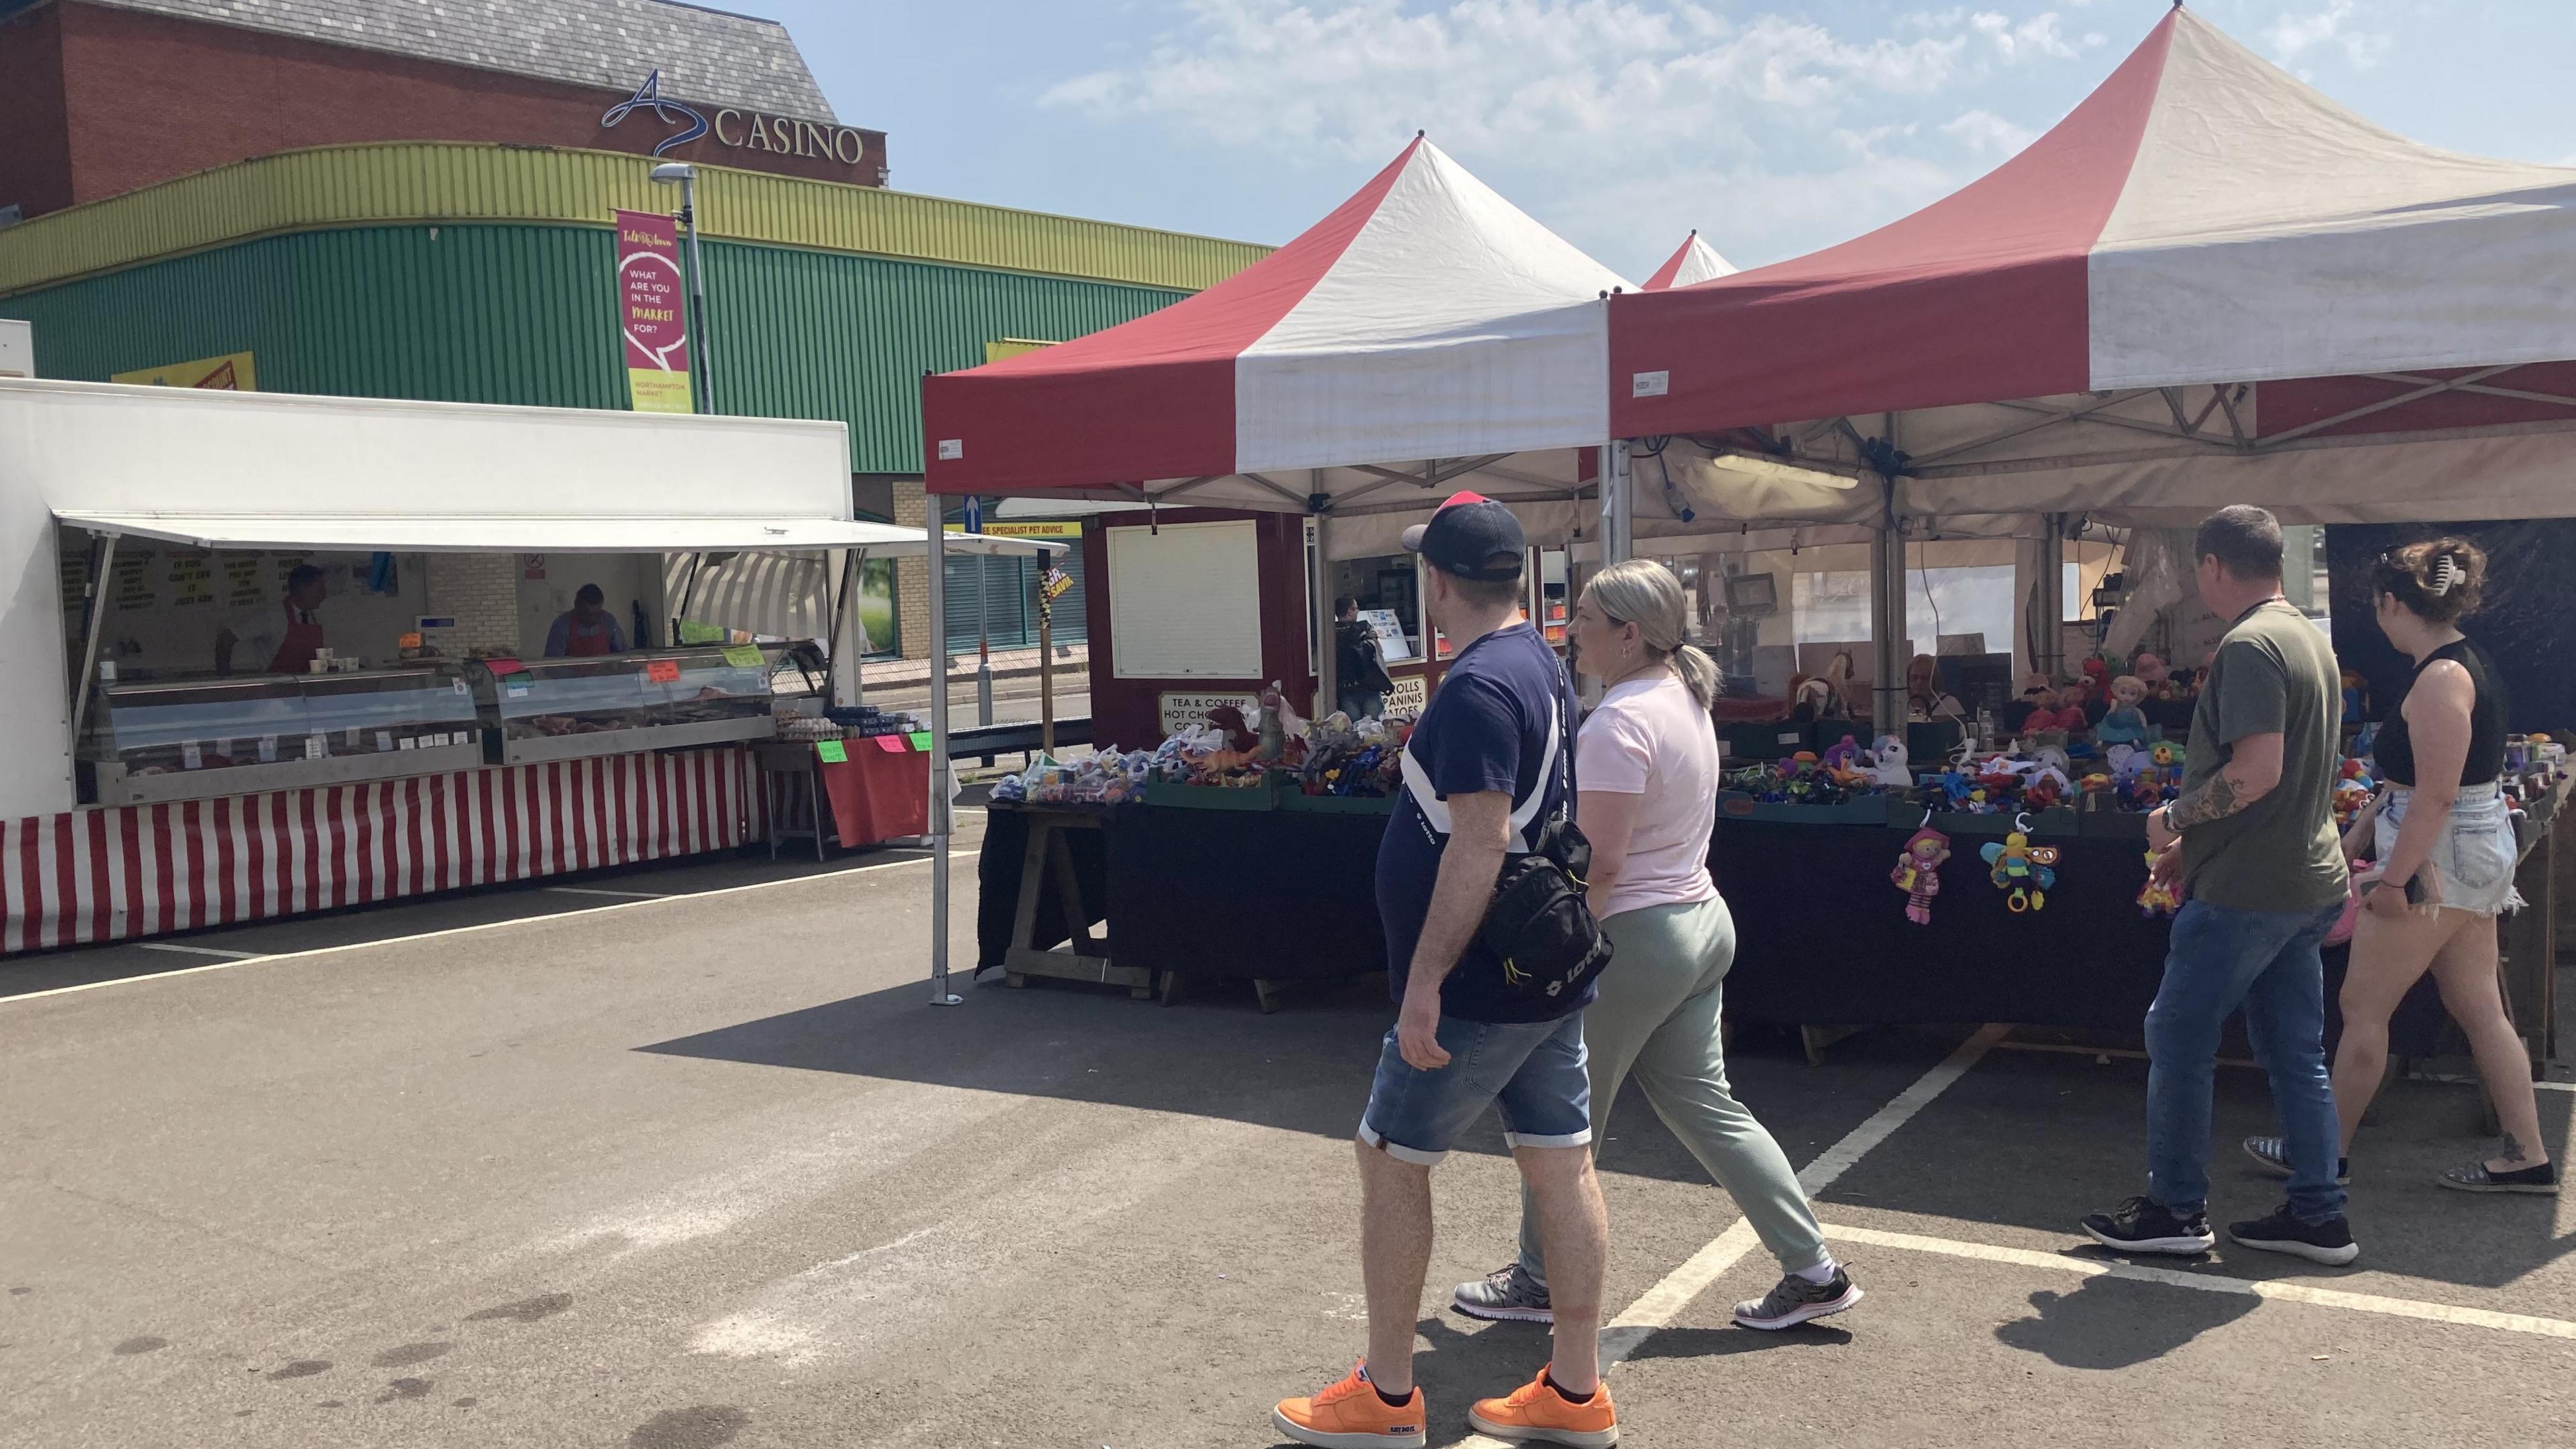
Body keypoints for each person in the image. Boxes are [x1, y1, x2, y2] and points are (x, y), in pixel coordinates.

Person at [1273, 492, 1615, 1449]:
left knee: (1389, 1160)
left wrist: (1424, 982)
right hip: (1543, 964)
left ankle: (1385, 1399)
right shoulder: (1538, 661)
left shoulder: (1474, 688)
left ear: (1436, 585)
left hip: (1481, 978)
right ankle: (1577, 1391)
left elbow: (1479, 842)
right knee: (1560, 1161)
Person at [1452, 558, 1862, 1337]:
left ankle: (1539, 1280)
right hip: (1697, 923)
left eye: (1585, 620)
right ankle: (1812, 1271)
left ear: (1629, 634)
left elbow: (1600, 864)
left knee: (1562, 1120)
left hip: (1643, 936)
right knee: (1704, 1106)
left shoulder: (1622, 719)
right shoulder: (1681, 697)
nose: (1572, 632)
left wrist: (1565, 959)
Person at [2084, 506, 2358, 1266]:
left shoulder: (2248, 647)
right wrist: (2194, 843)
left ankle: (2175, 1207)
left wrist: (2173, 818)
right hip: (2303, 879)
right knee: (2294, 1051)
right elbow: (2288, 774)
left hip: (2249, 888)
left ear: (2211, 567)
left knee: (2178, 1036)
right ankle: (2319, 1212)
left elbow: (2257, 772)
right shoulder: (2309, 637)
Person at [2246, 541, 2555, 1195]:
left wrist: (2392, 882)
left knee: (2363, 1008)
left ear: (2392, 604)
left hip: (2436, 861)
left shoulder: (2442, 679)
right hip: (2465, 857)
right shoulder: (2461, 666)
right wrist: (2366, 835)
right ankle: (2527, 1155)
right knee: (2479, 1008)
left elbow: (2436, 796)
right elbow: (2423, 789)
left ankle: (2323, 1156)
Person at [215, 564, 329, 675]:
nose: (324, 595)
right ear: (303, 588)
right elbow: (226, 639)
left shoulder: (315, 617)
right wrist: (224, 680)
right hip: (275, 688)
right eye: (320, 589)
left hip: (307, 686)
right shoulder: (271, 616)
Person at [1334, 595, 1395, 720]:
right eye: (1356, 609)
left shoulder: (1330, 632)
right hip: (1369, 685)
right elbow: (1379, 653)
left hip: (1345, 687)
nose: (1358, 611)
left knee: (1353, 729)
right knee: (1373, 728)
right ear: (1350, 611)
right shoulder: (1364, 629)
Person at [545, 584, 629, 657]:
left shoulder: (608, 621)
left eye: (597, 614)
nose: (592, 619)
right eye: (587, 614)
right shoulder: (562, 625)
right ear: (576, 605)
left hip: (604, 674)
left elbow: (623, 653)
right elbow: (553, 662)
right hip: (572, 675)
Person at [1905, 653, 1966, 724]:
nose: (1919, 683)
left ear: (1934, 680)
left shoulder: (1949, 705)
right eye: (1915, 678)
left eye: (1924, 678)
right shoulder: (1898, 703)